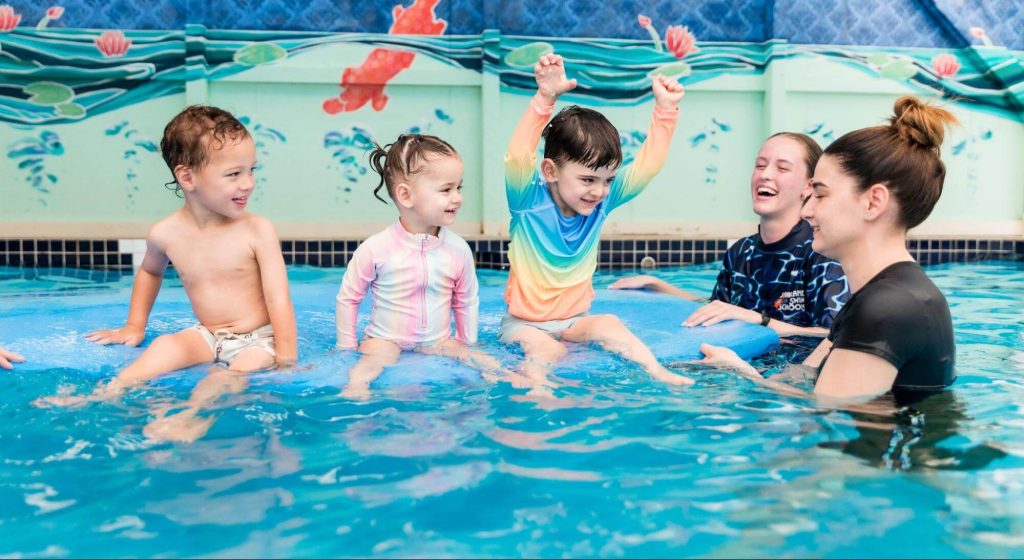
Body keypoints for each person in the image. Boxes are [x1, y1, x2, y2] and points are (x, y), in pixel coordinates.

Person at [38, 105, 298, 442]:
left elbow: (279, 299)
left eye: (251, 170)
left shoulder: (257, 230)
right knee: (162, 347)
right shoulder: (166, 233)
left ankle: (192, 416)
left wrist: (287, 356)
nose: (248, 183)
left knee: (232, 374)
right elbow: (149, 272)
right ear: (188, 177)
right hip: (208, 334)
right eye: (234, 174)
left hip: (259, 339)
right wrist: (134, 326)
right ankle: (103, 394)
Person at [701, 95, 958, 405]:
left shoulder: (885, 310)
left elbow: (832, 432)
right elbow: (804, 382)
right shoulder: (883, 298)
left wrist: (738, 373)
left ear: (873, 202)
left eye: (820, 195)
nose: (807, 211)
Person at [499, 53, 692, 391]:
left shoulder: (601, 203)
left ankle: (657, 372)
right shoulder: (527, 201)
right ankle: (537, 387)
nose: (599, 191)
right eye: (588, 179)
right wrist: (545, 97)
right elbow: (517, 156)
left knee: (610, 324)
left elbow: (646, 167)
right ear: (550, 170)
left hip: (576, 321)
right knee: (548, 347)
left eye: (607, 180)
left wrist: (666, 110)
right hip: (525, 325)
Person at [336, 134, 525, 400]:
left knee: (477, 358)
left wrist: (466, 341)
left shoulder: (458, 250)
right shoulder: (376, 248)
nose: (457, 198)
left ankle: (506, 379)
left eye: (459, 188)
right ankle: (355, 387)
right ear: (406, 195)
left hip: (438, 340)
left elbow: (466, 301)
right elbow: (348, 298)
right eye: (446, 190)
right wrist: (345, 347)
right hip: (386, 338)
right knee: (373, 359)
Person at [610, 132, 849, 338]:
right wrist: (659, 287)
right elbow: (718, 308)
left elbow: (833, 337)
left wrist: (758, 321)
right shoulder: (740, 252)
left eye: (782, 168)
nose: (765, 175)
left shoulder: (821, 251)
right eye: (760, 165)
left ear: (809, 186)